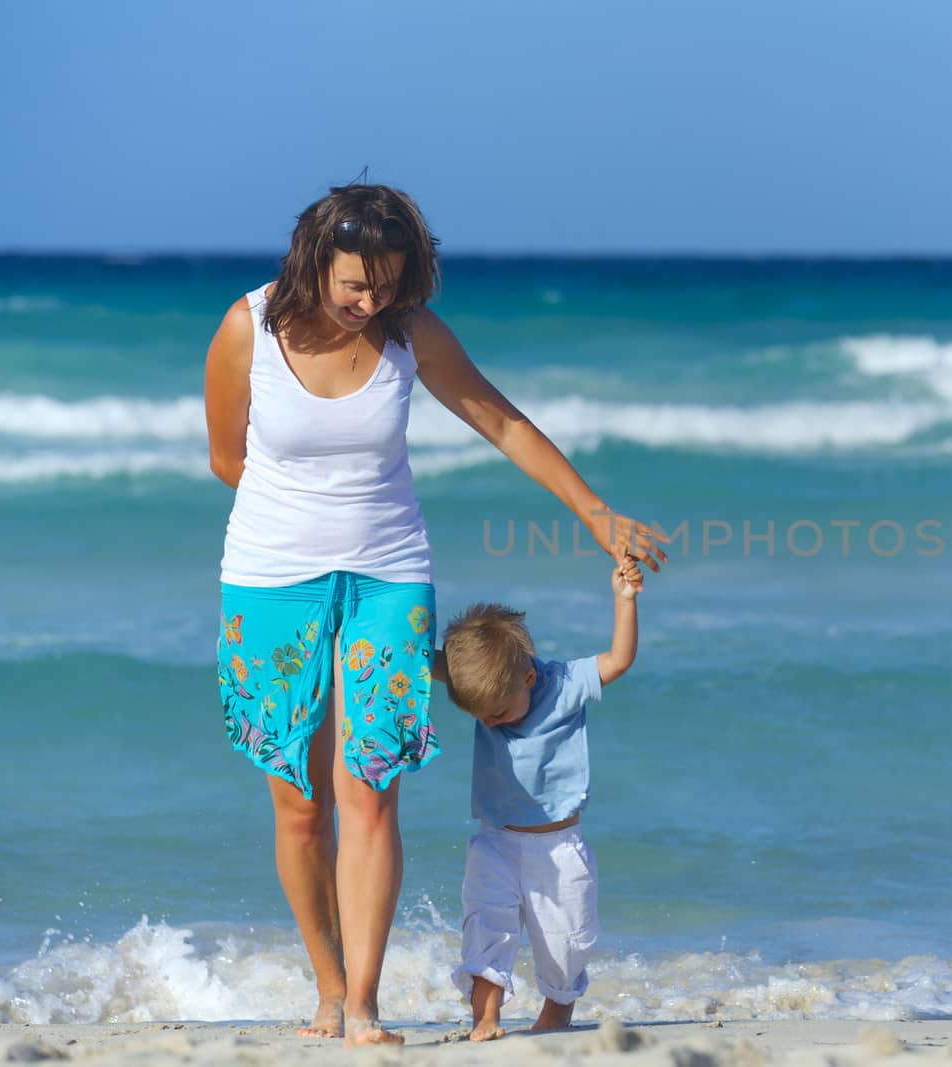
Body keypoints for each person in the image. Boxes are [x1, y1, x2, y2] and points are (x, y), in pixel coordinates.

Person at [203, 181, 665, 1047]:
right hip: (270, 579)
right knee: (300, 801)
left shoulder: (411, 336)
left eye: (386, 283)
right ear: (314, 261)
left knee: (370, 788)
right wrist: (305, 519)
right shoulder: (248, 329)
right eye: (354, 284)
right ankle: (329, 986)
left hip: (389, 576)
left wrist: (599, 514)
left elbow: (502, 420)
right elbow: (230, 456)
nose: (369, 301)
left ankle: (366, 1006)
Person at [438, 558, 642, 1041]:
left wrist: (624, 599)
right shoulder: (485, 687)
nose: (489, 724)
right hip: (495, 842)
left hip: (559, 847)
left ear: (528, 680)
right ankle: (484, 1018)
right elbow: (419, 659)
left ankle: (555, 1013)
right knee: (487, 928)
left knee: (566, 941)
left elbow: (619, 659)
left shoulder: (566, 685)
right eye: (481, 717)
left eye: (499, 714)